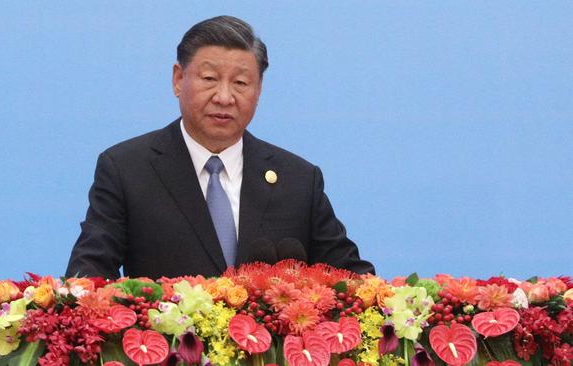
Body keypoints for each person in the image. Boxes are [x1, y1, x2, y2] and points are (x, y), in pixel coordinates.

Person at [66, 15, 374, 280]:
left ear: (259, 90)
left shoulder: (298, 179)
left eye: (240, 83)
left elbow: (352, 278)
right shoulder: (127, 169)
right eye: (210, 78)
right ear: (178, 79)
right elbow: (89, 274)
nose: (224, 97)